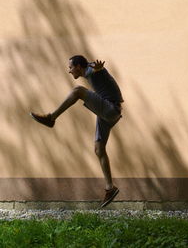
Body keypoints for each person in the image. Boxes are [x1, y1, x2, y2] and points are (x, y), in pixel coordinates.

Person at [30, 55, 124, 207]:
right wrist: (96, 70)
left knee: (78, 91)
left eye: (70, 67)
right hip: (108, 113)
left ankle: (51, 118)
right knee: (99, 149)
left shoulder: (91, 68)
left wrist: (98, 70)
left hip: (110, 108)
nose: (69, 70)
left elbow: (95, 69)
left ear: (79, 67)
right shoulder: (89, 70)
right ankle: (110, 188)